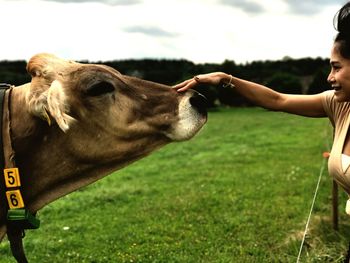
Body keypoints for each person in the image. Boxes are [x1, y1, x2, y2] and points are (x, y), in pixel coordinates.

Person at [173, 2, 350, 202]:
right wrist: (226, 78)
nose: (330, 77)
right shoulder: (339, 105)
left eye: (336, 67)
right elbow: (277, 100)